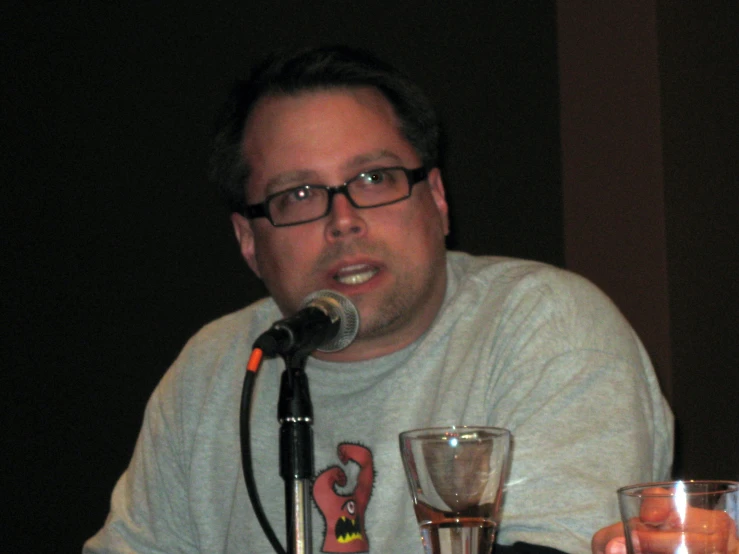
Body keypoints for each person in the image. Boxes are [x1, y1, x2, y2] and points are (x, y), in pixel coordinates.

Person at [84, 45, 673, 554]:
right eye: (300, 194)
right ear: (248, 242)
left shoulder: (550, 325)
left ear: (437, 199)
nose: (344, 221)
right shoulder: (215, 368)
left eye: (374, 180)